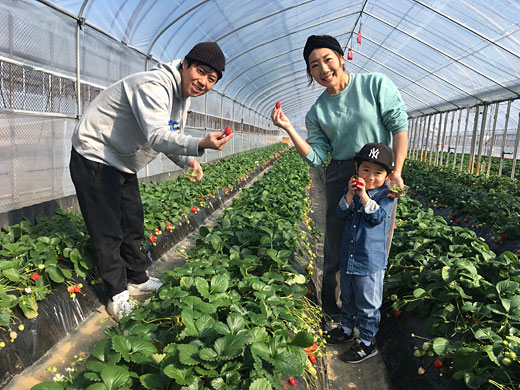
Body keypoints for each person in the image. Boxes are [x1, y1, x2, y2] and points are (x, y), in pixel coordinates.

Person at [69, 42, 233, 320]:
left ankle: (137, 278)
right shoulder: (154, 86)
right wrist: (200, 143)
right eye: (200, 71)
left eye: (211, 79)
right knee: (107, 229)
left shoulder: (181, 98)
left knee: (132, 222)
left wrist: (187, 160)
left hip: (121, 160)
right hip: (95, 152)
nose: (203, 81)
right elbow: (157, 136)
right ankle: (116, 294)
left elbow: (169, 135)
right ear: (185, 65)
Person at [271, 34, 408, 326]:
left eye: (327, 60)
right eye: (314, 65)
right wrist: (289, 129)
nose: (322, 69)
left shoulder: (375, 85)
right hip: (340, 174)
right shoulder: (317, 112)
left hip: (378, 174)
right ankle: (334, 313)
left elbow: (398, 126)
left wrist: (395, 171)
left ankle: (367, 315)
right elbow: (317, 156)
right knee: (335, 246)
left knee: (373, 246)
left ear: (341, 59)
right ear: (310, 72)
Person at [328, 143, 396, 363]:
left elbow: (377, 218)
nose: (370, 176)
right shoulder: (354, 190)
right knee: (347, 297)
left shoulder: (387, 195)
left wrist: (364, 196)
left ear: (388, 175)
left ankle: (367, 343)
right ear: (357, 168)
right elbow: (340, 211)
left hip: (369, 263)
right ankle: (347, 330)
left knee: (368, 304)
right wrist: (350, 193)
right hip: (350, 257)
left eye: (378, 173)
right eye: (366, 169)